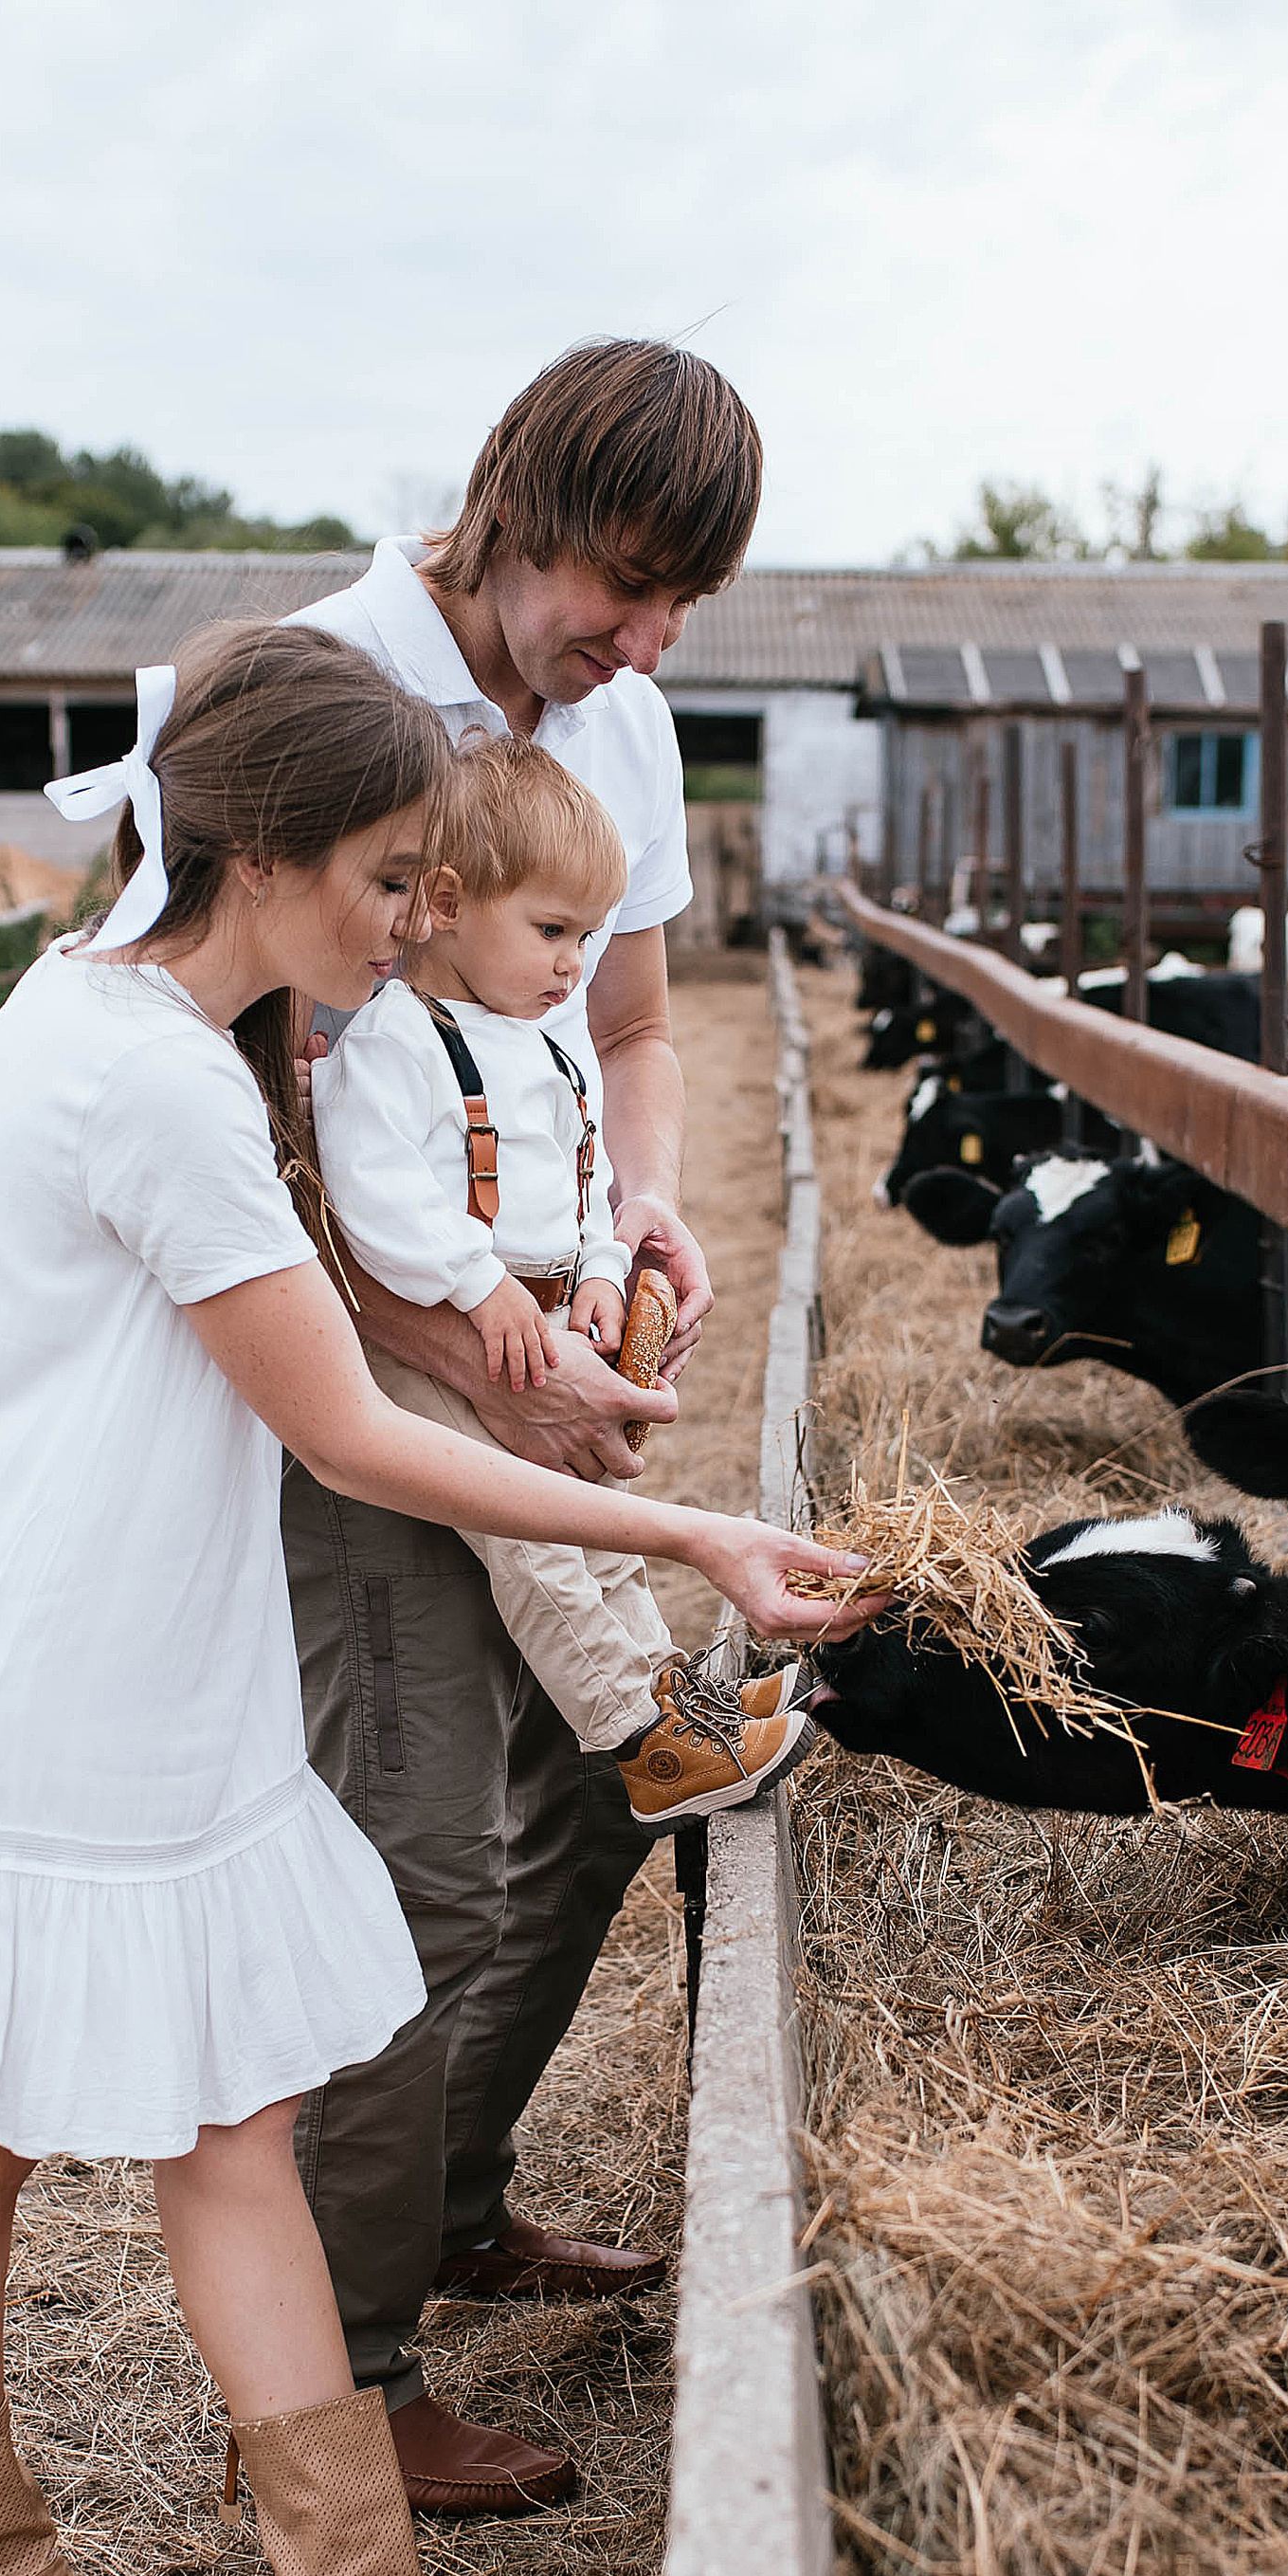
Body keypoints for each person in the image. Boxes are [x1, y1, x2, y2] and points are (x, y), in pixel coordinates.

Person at [0, 625, 857, 2576]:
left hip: (141, 1651)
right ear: (258, 855)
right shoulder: (147, 1079)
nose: (415, 922)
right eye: (388, 879)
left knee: (228, 2110)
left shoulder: (131, 1022)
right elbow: (347, 1433)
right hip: (32, 1667)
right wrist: (694, 1532)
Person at [287, 337, 764, 2513]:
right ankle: (347, 2377)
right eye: (621, 582)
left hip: (512, 1334)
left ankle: (454, 2198)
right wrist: (464, 1322)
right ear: (512, 502)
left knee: (592, 1791)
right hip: (344, 1379)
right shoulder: (323, 688)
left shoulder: (621, 726)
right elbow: (270, 1099)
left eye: (681, 609)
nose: (641, 644)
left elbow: (634, 1020)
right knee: (415, 1866)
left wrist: (630, 1203)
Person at [313, 733, 813, 1826]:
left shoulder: (542, 1042)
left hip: (542, 1315)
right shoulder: (392, 1042)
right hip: (442, 1335)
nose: (574, 964)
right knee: (532, 1539)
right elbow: (370, 1194)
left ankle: (680, 1699)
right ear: (444, 902)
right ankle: (638, 1739)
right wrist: (475, 1283)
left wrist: (595, 1268)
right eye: (551, 931)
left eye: (587, 936)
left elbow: (584, 1177)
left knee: (591, 1515)